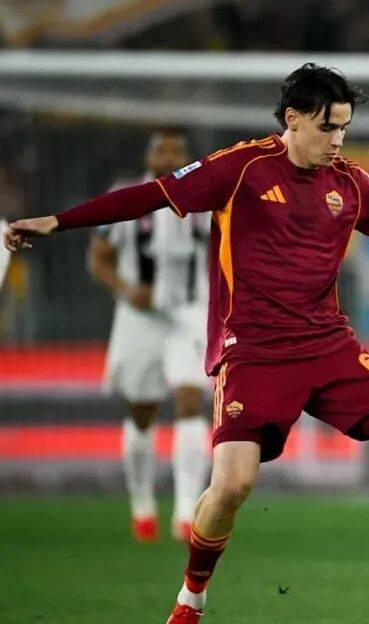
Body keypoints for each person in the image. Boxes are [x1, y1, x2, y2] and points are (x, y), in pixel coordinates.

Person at [4, 63, 369, 623]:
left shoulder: (350, 183)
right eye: (328, 127)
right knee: (231, 486)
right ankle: (190, 600)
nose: (338, 140)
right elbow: (151, 195)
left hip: (328, 347)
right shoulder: (241, 168)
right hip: (253, 353)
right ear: (293, 118)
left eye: (345, 128)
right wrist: (57, 222)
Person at [87, 128, 211, 543]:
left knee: (191, 401)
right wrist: (127, 289)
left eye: (177, 150)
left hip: (189, 313)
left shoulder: (205, 200)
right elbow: (98, 259)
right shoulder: (127, 197)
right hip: (139, 317)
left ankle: (186, 512)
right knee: (143, 410)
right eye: (162, 149)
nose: (169, 157)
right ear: (148, 155)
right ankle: (142, 503)